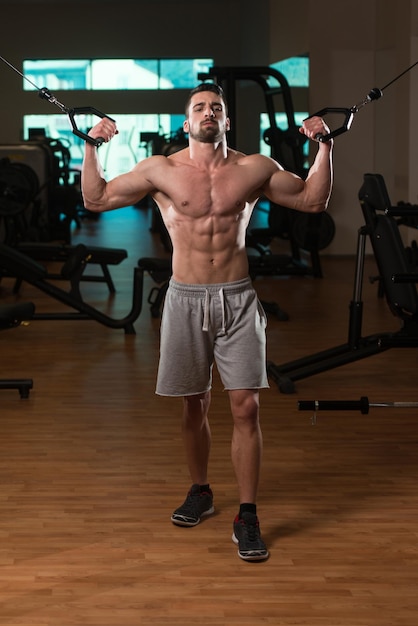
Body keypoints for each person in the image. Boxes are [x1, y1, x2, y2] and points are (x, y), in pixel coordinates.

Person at [81, 83, 333, 562]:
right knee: (194, 406)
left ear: (227, 120)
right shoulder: (161, 169)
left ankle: (248, 514)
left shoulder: (254, 168)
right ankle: (201, 489)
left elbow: (311, 201)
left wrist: (325, 146)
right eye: (199, 107)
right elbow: (97, 200)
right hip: (185, 300)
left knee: (246, 409)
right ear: (186, 122)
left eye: (216, 107)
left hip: (238, 300)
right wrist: (92, 146)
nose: (208, 112)